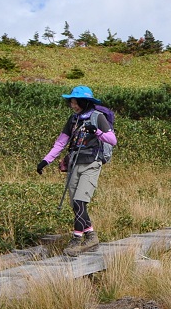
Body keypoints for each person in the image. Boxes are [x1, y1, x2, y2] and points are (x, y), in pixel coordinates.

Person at [37, 86, 117, 257]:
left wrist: (96, 131)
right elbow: (60, 143)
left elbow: (112, 139)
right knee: (75, 204)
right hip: (74, 164)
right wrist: (45, 161)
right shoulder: (73, 120)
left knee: (80, 201)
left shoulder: (98, 117)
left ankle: (76, 240)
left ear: (84, 101)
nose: (72, 105)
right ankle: (91, 236)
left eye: (75, 102)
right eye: (71, 102)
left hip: (92, 163)